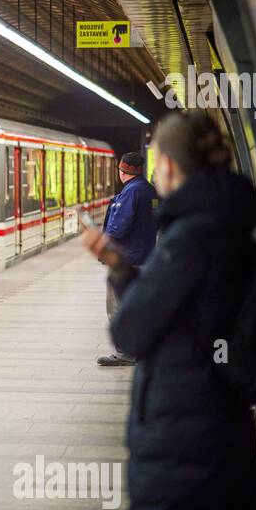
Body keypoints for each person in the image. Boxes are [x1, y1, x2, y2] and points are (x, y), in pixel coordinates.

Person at [81, 111, 256, 510]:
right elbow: (178, 315)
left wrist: (117, 269)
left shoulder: (192, 237)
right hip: (218, 453)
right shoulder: (228, 230)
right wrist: (122, 264)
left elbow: (131, 327)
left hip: (188, 467)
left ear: (166, 165)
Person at [95, 152, 158, 366]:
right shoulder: (149, 190)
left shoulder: (131, 192)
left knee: (119, 305)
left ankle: (126, 352)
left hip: (127, 257)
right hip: (145, 255)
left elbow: (118, 228)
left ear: (123, 171)